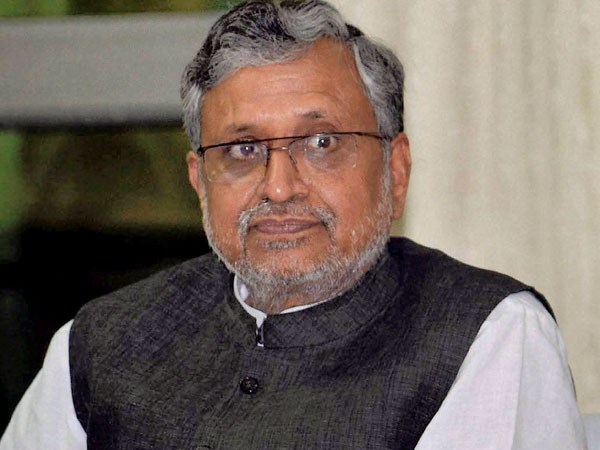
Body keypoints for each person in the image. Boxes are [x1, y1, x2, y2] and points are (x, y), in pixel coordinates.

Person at [0, 1, 588, 449]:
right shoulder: (98, 345)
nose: (279, 187)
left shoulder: (488, 336)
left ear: (395, 170)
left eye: (321, 142)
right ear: (200, 181)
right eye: (242, 149)